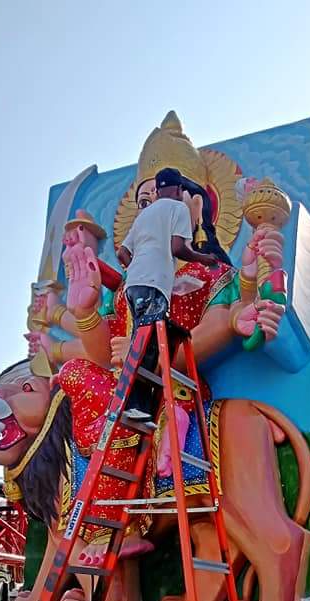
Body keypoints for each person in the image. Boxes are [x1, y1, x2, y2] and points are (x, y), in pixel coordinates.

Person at [116, 167, 218, 417]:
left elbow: (122, 253)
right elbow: (177, 248)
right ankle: (135, 407)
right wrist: (203, 258)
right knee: (150, 346)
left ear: (158, 191)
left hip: (134, 286)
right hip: (153, 286)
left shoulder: (144, 216)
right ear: (178, 189)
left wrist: (138, 267)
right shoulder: (178, 208)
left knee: (143, 340)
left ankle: (136, 406)